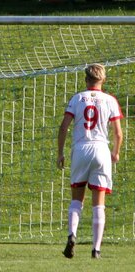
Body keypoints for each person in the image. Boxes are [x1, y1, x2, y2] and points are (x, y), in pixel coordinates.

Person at [57, 63, 123, 259]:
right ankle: (96, 249)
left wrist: (60, 153)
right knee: (99, 203)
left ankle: (72, 235)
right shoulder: (110, 100)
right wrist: (115, 152)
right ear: (103, 80)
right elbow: (118, 133)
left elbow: (63, 127)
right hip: (101, 150)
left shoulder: (77, 99)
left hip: (81, 149)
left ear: (86, 80)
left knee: (76, 199)